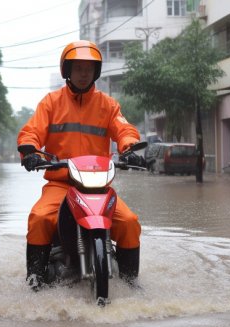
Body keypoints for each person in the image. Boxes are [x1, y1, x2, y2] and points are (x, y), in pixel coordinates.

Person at [17, 40, 145, 290]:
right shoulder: (51, 103)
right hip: (61, 183)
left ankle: (131, 284)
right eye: (78, 68)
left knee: (129, 222)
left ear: (96, 72)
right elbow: (31, 132)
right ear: (67, 70)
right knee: (39, 218)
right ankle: (35, 283)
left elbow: (124, 129)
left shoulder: (108, 105)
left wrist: (129, 147)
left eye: (89, 69)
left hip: (99, 187)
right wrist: (30, 152)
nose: (84, 73)